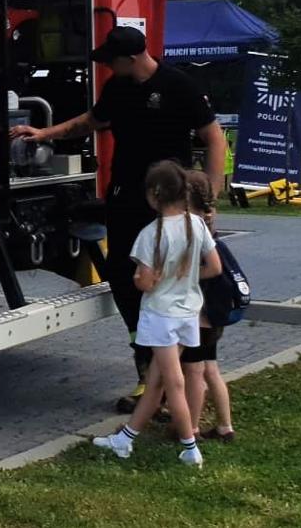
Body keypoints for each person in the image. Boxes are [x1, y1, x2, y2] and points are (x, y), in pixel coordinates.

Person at [10, 24, 229, 412]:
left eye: (112, 61)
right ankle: (149, 370)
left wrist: (207, 200)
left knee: (172, 282)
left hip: (169, 203)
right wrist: (44, 134)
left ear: (130, 59)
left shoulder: (178, 86)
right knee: (124, 277)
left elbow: (214, 138)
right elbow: (89, 122)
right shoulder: (118, 88)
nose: (107, 67)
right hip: (126, 195)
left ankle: (184, 375)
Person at [92, 161, 223, 467]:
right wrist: (185, 277)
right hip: (188, 312)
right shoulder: (197, 224)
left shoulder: (150, 234)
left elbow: (145, 282)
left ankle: (189, 446)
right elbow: (214, 267)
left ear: (154, 195)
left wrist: (147, 279)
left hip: (160, 316)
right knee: (156, 381)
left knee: (172, 382)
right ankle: (125, 439)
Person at [183, 168, 237, 443]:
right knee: (212, 369)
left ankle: (190, 426)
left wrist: (182, 275)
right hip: (215, 314)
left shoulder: (192, 229)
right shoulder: (209, 222)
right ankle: (225, 425)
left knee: (194, 370)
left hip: (199, 315)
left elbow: (209, 269)